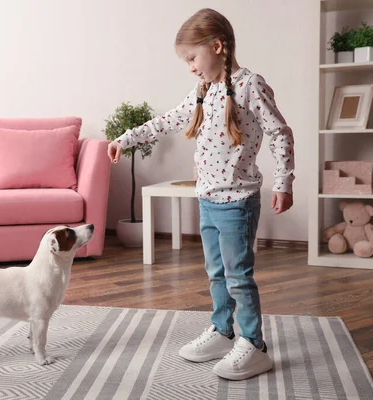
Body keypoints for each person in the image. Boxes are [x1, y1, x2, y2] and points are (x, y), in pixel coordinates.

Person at [107, 8, 295, 381]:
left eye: (193, 57)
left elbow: (280, 133)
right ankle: (224, 332)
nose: (190, 67)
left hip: (238, 201)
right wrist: (126, 139)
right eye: (186, 61)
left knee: (238, 275)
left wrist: (284, 182)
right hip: (207, 198)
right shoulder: (203, 91)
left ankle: (254, 345)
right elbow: (168, 120)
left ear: (218, 46)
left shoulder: (249, 85)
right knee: (215, 273)